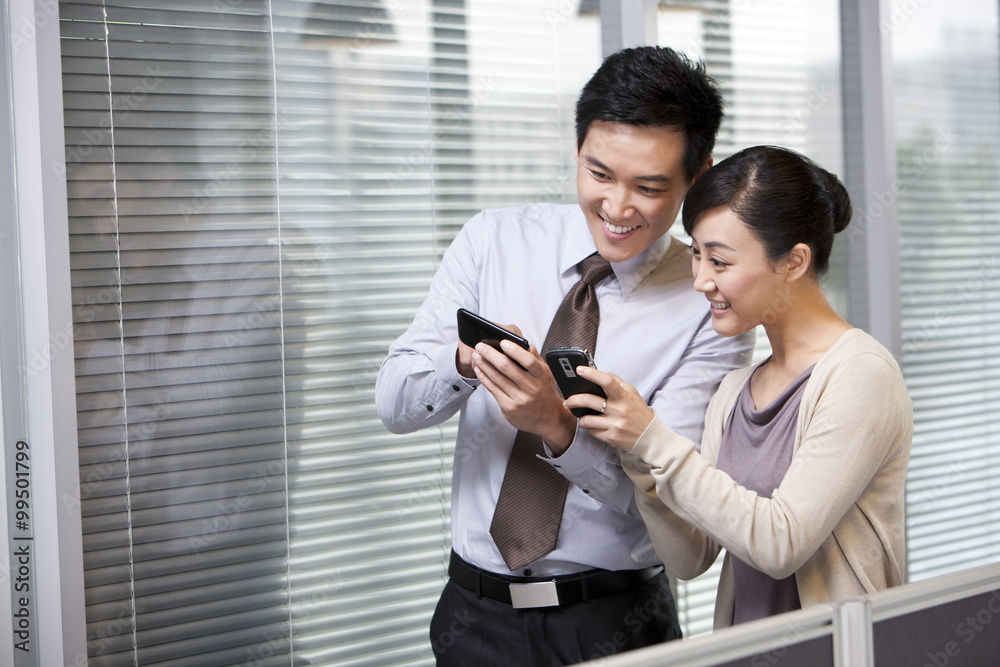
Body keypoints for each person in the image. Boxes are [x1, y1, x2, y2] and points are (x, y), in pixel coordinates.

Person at [375, 45, 754, 665]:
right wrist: (465, 363)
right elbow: (394, 404)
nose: (617, 207)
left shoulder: (709, 306)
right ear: (577, 151)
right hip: (473, 618)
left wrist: (557, 428)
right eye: (598, 174)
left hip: (614, 622)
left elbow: (672, 505)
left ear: (700, 176)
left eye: (649, 187)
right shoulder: (491, 241)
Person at [564, 145, 913, 628]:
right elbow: (690, 560)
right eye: (696, 255)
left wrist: (653, 439)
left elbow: (779, 544)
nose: (701, 280)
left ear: (794, 262)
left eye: (720, 262)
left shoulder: (861, 374)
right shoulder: (735, 390)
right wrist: (637, 455)